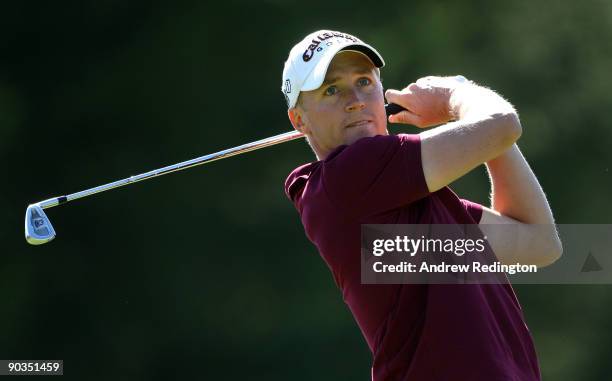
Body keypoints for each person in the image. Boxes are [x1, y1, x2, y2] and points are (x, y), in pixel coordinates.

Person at [281, 30, 562, 381]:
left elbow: (539, 241)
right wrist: (456, 95)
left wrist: (477, 128)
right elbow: (503, 124)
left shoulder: (401, 200)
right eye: (331, 90)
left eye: (365, 81)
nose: (355, 99)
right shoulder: (349, 175)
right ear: (299, 121)